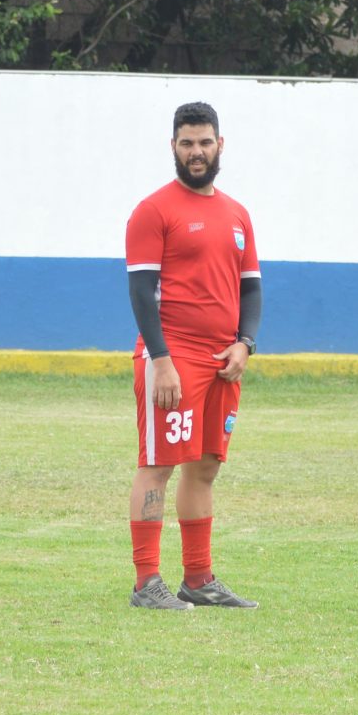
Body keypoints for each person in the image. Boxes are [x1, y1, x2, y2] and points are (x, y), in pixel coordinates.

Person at [123, 100, 262, 611]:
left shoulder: (238, 214)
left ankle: (198, 579)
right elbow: (140, 293)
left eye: (205, 142)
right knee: (158, 464)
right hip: (173, 359)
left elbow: (251, 290)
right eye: (187, 143)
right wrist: (161, 359)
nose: (196, 152)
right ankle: (147, 583)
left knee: (204, 468)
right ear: (173, 147)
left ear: (220, 144)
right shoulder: (154, 211)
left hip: (221, 361)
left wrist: (245, 344)